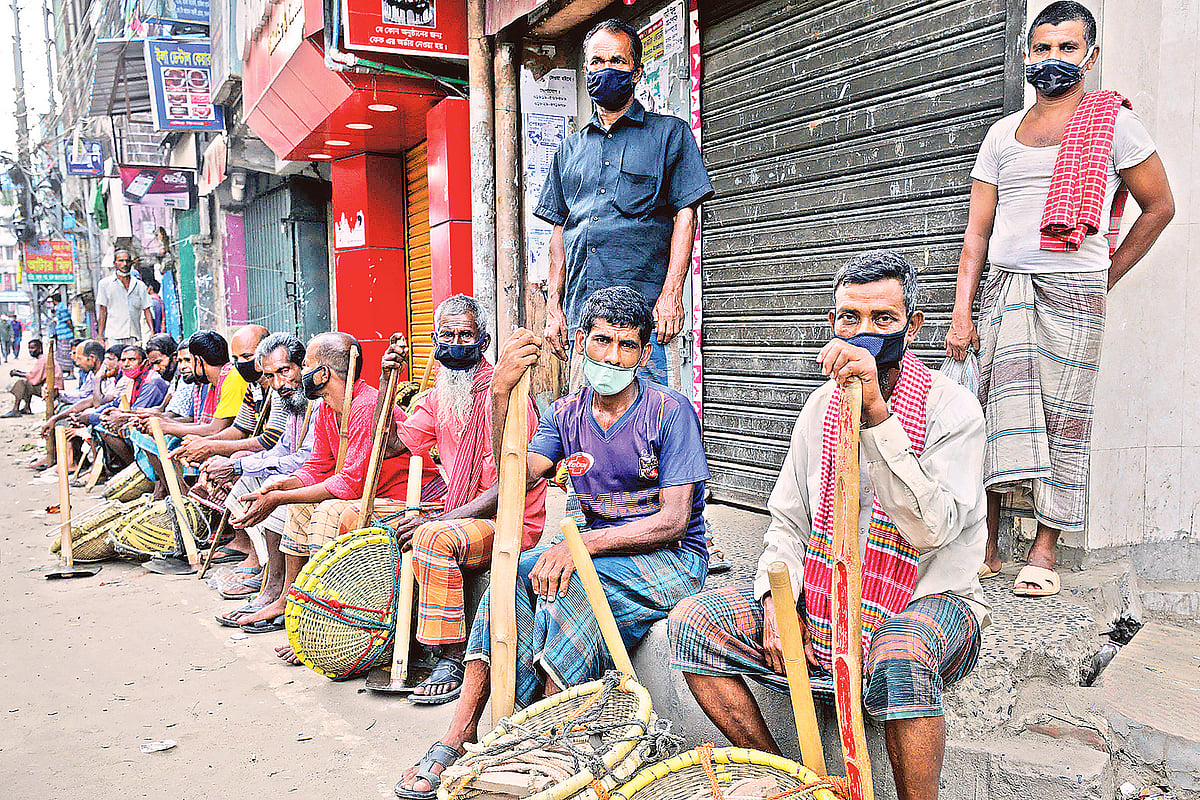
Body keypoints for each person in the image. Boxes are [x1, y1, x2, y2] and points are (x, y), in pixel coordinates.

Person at [668, 252, 988, 800]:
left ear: (914, 326)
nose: (864, 333)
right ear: (831, 325)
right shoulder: (819, 406)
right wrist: (776, 594)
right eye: (849, 319)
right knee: (694, 623)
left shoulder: (952, 408)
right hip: (824, 598)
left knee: (902, 654)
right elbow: (786, 525)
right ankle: (788, 783)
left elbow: (931, 529)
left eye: (883, 319)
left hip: (930, 598)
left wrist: (879, 420)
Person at [394, 287, 710, 800]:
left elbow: (673, 522)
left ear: (645, 352)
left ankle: (544, 749)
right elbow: (515, 471)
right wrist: (499, 395)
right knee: (513, 577)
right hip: (592, 549)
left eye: (627, 346)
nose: (612, 357)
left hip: (669, 559)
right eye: (602, 341)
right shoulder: (566, 412)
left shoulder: (670, 411)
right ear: (581, 341)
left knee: (571, 591)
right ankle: (459, 736)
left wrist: (577, 549)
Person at [944, 1, 1175, 597]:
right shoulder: (1002, 135)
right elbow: (976, 234)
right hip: (1003, 292)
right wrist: (962, 312)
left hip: (1074, 298)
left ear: (1091, 56)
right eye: (1042, 48)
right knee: (993, 417)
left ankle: (1045, 549)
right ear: (1027, 54)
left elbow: (1160, 207)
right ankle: (987, 543)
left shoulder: (1114, 125)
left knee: (1064, 419)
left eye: (1067, 48)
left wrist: (1107, 275)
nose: (1054, 60)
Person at [337, 295, 548, 703]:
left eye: (465, 335)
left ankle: (451, 654)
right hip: (460, 512)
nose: (455, 343)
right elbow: (394, 443)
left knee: (431, 538)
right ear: (434, 341)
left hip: (510, 522)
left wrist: (442, 521)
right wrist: (388, 382)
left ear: (483, 341)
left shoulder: (510, 395)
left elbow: (510, 486)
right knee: (357, 520)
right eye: (447, 335)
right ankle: (372, 635)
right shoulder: (438, 396)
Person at [230, 332, 443, 641]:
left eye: (304, 365)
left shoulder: (366, 405)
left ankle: (326, 618)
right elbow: (317, 468)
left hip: (409, 499)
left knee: (329, 510)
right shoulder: (328, 408)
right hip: (369, 493)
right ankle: (290, 600)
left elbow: (350, 483)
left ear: (323, 373)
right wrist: (278, 489)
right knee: (299, 504)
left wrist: (279, 497)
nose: (301, 372)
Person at [535, 18, 713, 386]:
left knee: (652, 432)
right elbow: (559, 231)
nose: (605, 70)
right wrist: (554, 308)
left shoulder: (669, 134)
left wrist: (671, 295)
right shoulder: (569, 149)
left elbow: (686, 214)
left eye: (617, 61)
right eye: (597, 62)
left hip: (645, 325)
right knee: (583, 433)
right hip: (584, 326)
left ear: (636, 71)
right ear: (587, 70)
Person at [208, 333, 317, 621]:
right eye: (271, 376)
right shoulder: (291, 400)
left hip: (318, 478)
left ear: (302, 366)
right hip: (302, 473)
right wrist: (237, 466)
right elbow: (282, 448)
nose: (279, 383)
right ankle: (269, 577)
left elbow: (306, 459)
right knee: (247, 482)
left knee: (270, 490)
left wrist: (240, 466)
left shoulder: (315, 402)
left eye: (285, 371)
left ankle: (278, 589)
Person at [90, 345, 171, 471]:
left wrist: (99, 416)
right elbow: (113, 404)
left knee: (133, 431)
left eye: (132, 360)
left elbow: (138, 412)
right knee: (101, 425)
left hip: (148, 421)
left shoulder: (152, 381)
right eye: (123, 360)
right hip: (133, 417)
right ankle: (132, 468)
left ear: (144, 362)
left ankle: (141, 471)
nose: (126, 364)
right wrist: (94, 415)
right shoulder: (131, 380)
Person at [96, 249, 154, 345]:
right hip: (113, 336)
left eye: (127, 261)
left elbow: (147, 309)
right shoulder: (105, 284)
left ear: (131, 263)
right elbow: (103, 311)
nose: (125, 264)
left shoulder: (139, 285)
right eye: (121, 261)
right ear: (115, 263)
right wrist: (100, 337)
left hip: (134, 335)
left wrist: (152, 331)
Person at [4, 339, 55, 417]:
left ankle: (15, 409)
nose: (30, 351)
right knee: (27, 382)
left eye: (33, 348)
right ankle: (27, 407)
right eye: (29, 348)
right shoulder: (44, 358)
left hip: (52, 390)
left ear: (40, 349)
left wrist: (17, 373)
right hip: (50, 387)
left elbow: (34, 377)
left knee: (22, 382)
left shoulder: (43, 359)